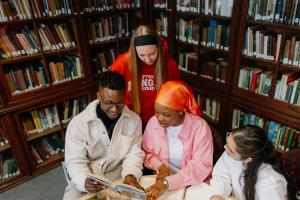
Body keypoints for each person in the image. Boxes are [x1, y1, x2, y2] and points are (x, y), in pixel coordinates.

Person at [63, 71, 145, 200]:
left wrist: (130, 175)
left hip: (120, 175)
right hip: (90, 176)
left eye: (120, 102)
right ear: (98, 96)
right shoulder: (78, 124)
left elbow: (134, 154)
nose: (115, 109)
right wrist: (84, 181)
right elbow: (74, 161)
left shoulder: (134, 120)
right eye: (109, 103)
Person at [142, 80, 213, 199]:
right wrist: (161, 167)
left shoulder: (200, 127)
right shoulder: (153, 122)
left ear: (180, 111)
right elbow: (147, 153)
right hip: (161, 181)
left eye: (166, 114)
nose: (159, 118)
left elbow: (200, 166)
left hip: (193, 185)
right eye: (156, 112)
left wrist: (168, 182)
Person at [110, 25, 180, 126]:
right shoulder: (121, 65)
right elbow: (110, 94)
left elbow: (176, 97)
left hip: (160, 122)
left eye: (152, 53)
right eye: (141, 55)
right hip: (130, 122)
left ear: (159, 48)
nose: (148, 60)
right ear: (135, 52)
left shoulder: (170, 65)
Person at [210, 125, 288, 200]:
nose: (225, 147)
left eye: (230, 149)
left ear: (248, 159)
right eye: (228, 138)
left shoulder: (270, 182)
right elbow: (221, 176)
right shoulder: (234, 153)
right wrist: (217, 195)